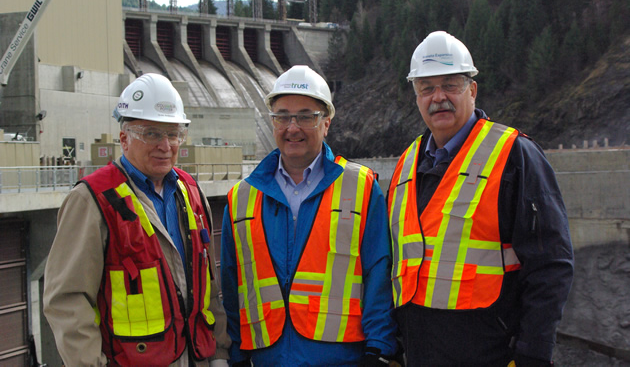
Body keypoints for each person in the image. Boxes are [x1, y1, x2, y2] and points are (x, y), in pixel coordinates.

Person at [388, 31, 574, 366]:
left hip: (491, 354)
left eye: (450, 84)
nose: (438, 97)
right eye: (426, 88)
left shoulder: (514, 155)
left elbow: (551, 265)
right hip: (420, 353)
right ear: (415, 96)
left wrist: (533, 351)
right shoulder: (406, 164)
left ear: (472, 90)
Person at [43, 73, 230, 366]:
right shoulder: (92, 201)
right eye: (152, 133)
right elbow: (67, 300)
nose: (165, 145)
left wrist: (219, 353)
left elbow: (208, 287)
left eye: (173, 134)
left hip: (198, 358)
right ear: (124, 138)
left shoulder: (190, 193)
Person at [221, 65, 398, 366]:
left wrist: (379, 349)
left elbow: (379, 273)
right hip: (268, 359)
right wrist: (237, 354)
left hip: (342, 359)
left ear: (326, 122)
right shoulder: (242, 198)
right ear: (272, 121)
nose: (292, 127)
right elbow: (232, 282)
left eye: (306, 116)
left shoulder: (360, 187)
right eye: (282, 116)